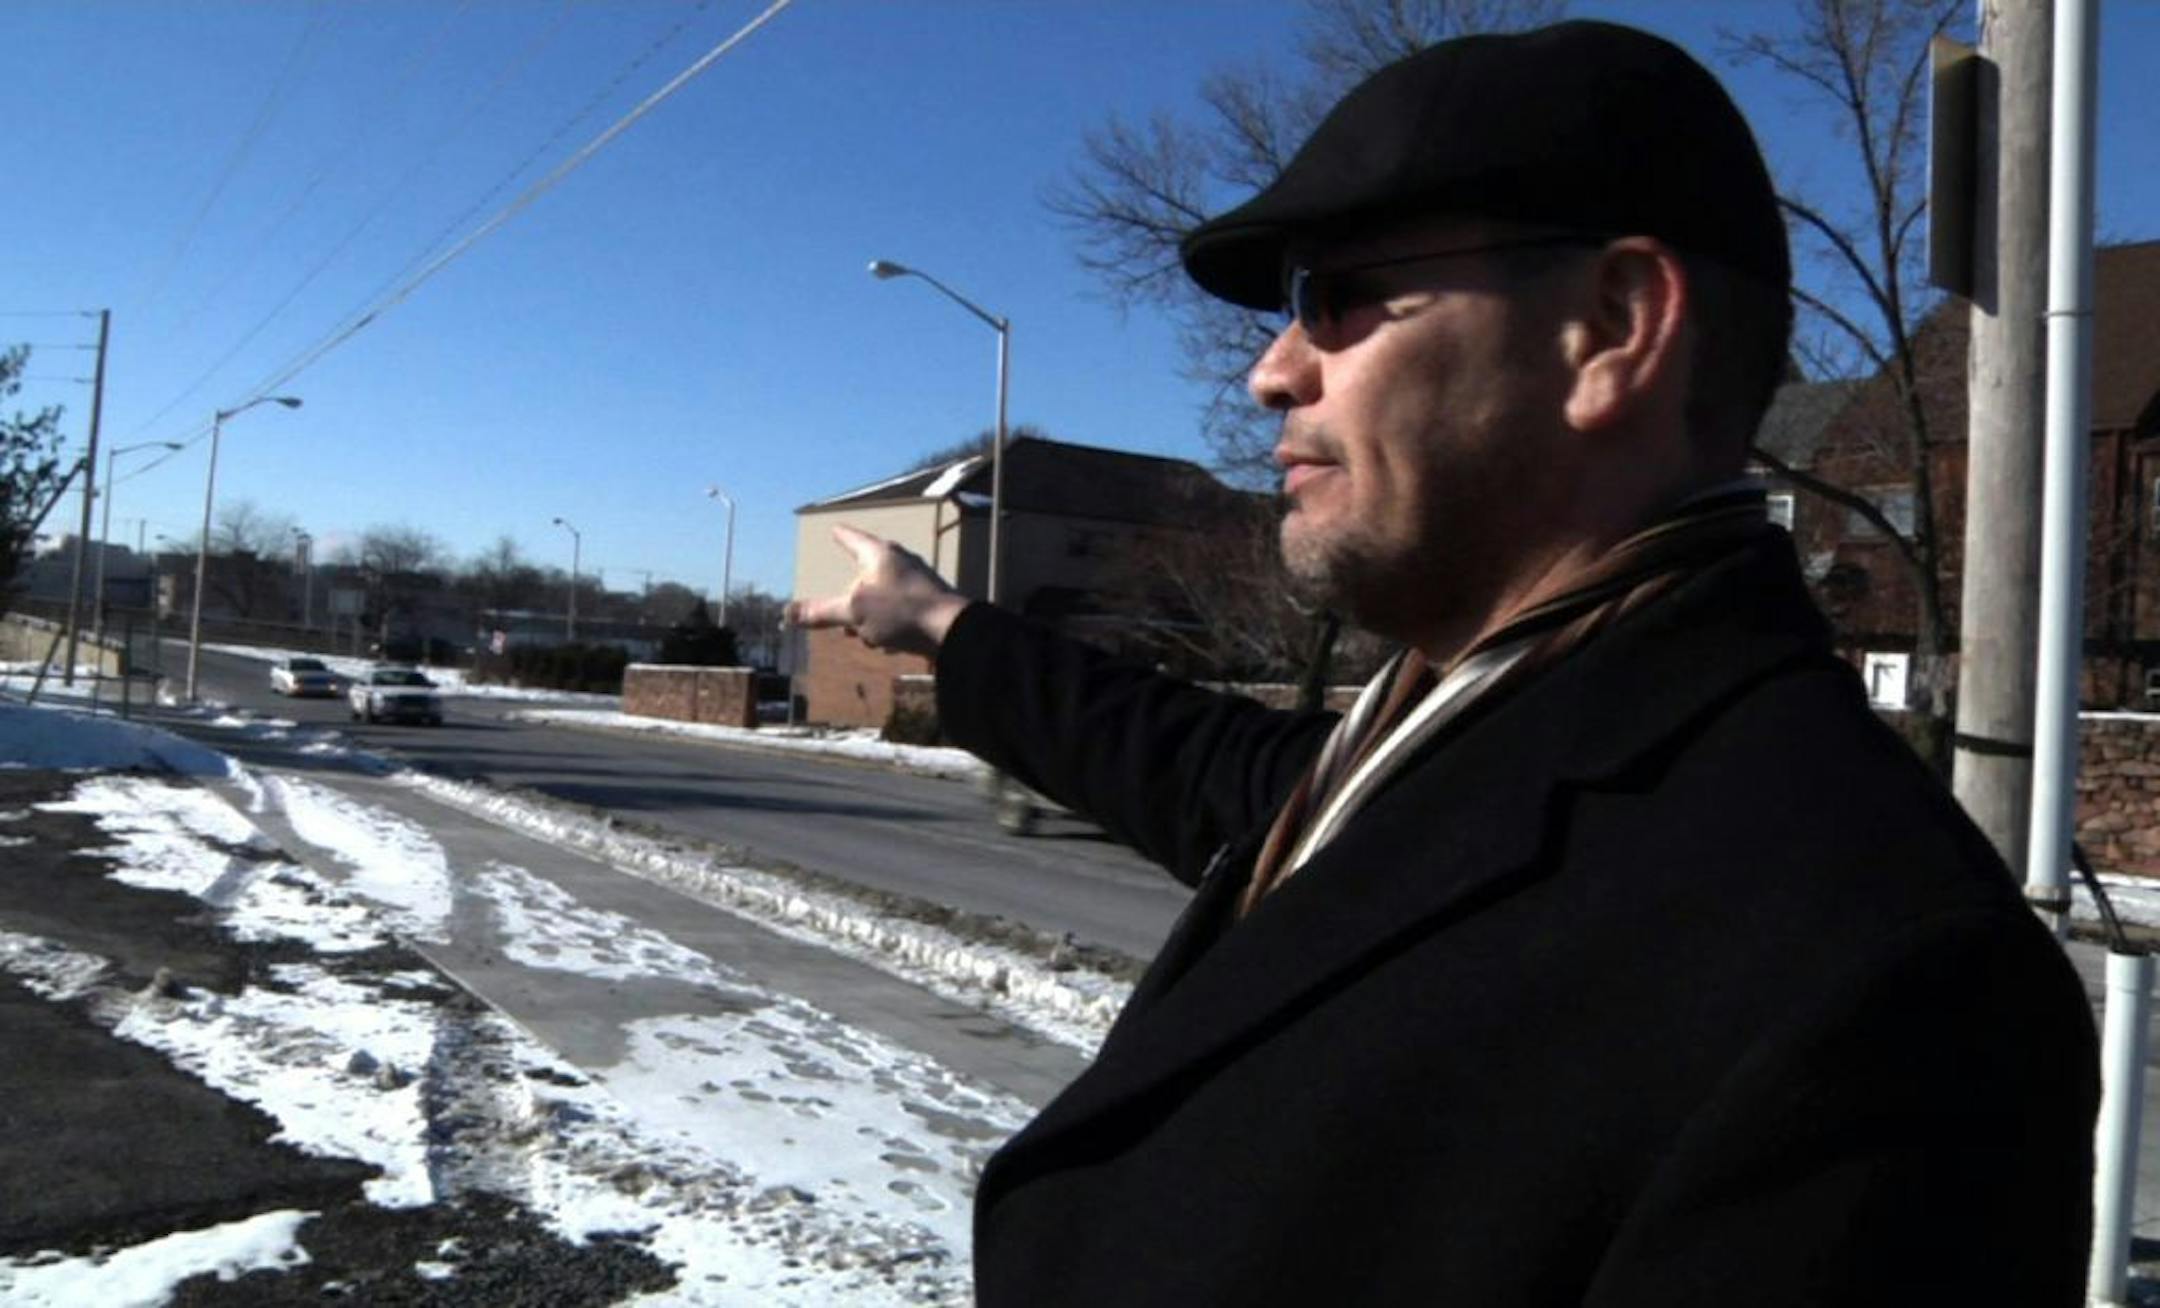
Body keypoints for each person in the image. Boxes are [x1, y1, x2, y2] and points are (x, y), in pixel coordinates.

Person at [791, 20, 2098, 1307]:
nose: (1269, 372)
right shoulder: (1455, 740)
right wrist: (938, 625)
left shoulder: (1882, 982)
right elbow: (1202, 770)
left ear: (1613, 327)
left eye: (1338, 296)